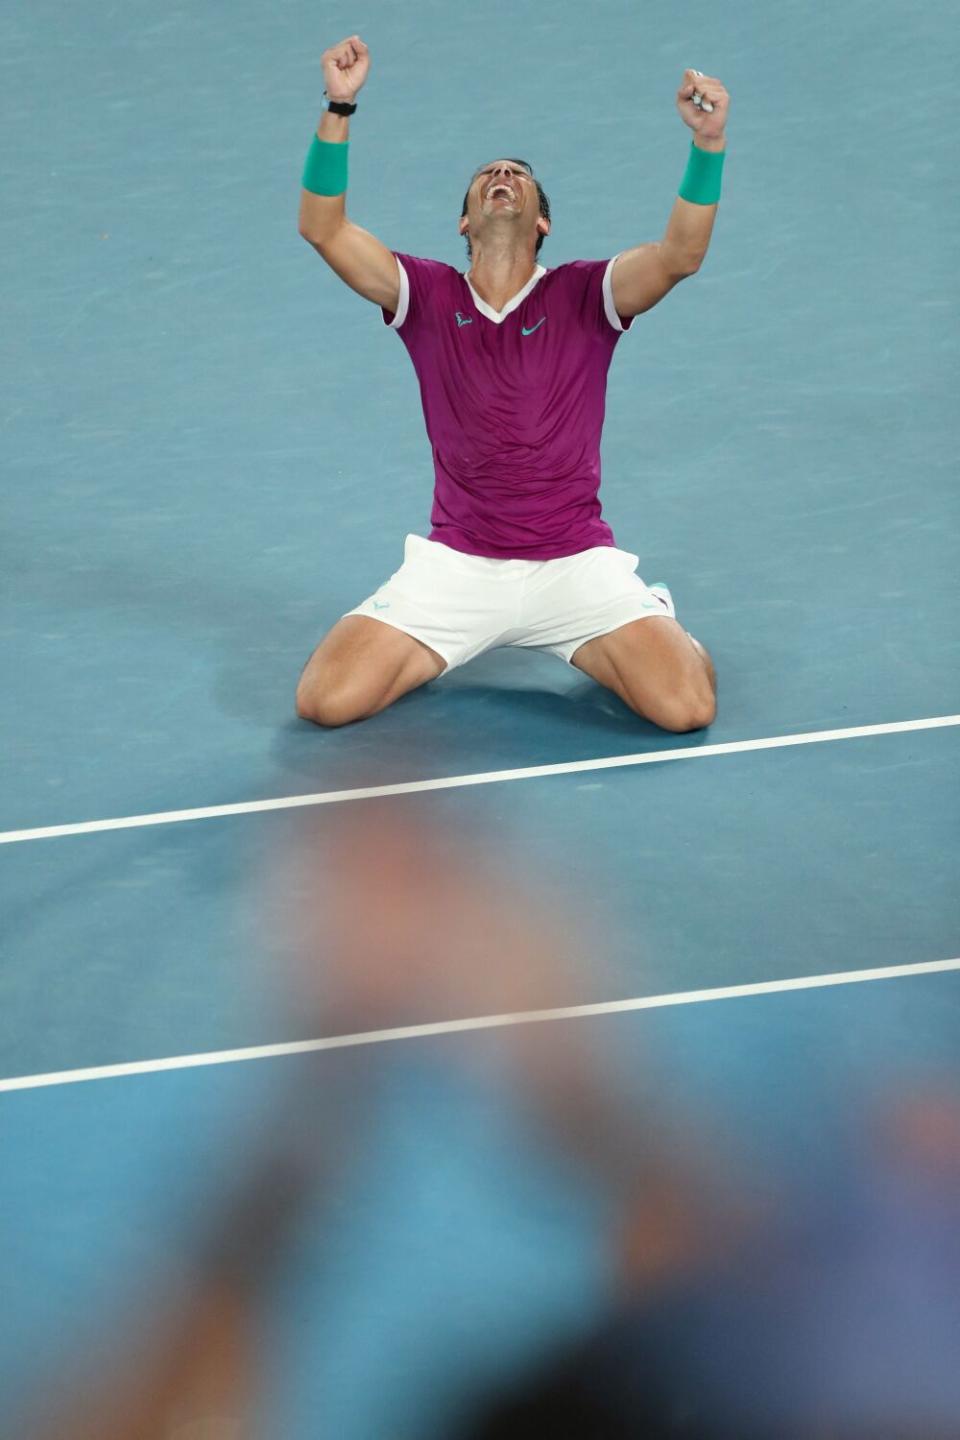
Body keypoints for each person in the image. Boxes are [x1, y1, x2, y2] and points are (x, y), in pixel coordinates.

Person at [296, 37, 729, 732]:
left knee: (687, 708)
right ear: (466, 221)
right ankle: (446, 641)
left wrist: (707, 144)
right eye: (489, 174)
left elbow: (681, 255)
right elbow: (322, 227)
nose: (503, 174)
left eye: (519, 175)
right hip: (459, 567)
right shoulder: (425, 295)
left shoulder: (589, 293)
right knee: (325, 700)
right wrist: (339, 105)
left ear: (542, 221)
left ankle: (655, 618)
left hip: (574, 565)